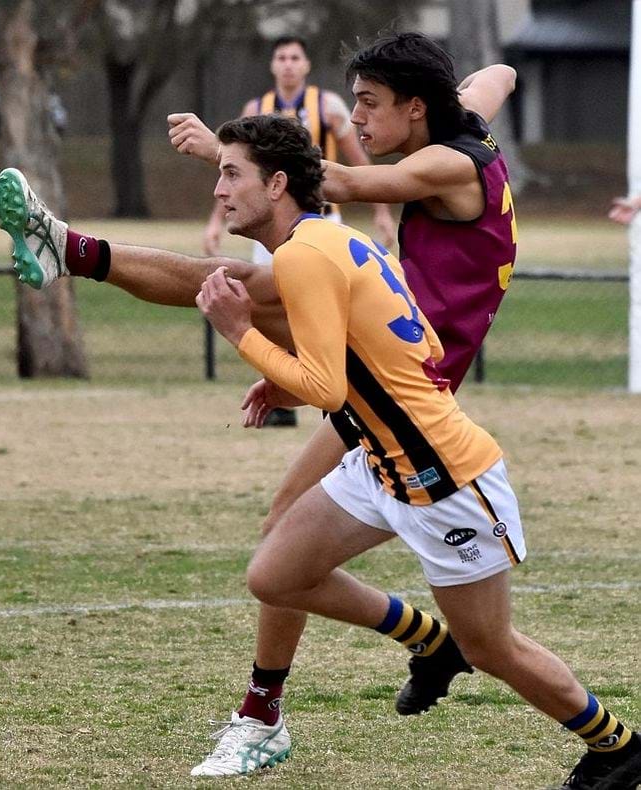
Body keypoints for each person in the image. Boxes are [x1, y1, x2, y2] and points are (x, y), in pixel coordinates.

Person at [0, 32, 524, 779]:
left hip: (401, 390)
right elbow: (496, 73)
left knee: (229, 310)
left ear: (416, 108)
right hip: (378, 352)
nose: (360, 118)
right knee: (226, 295)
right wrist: (481, 79)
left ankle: (273, 709)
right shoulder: (459, 126)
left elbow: (333, 180)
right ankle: (70, 251)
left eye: (371, 105)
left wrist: (225, 152)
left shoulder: (441, 164)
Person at [192, 112, 640, 790]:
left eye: (232, 174)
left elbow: (324, 380)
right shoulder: (326, 242)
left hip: (447, 481)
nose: (220, 190)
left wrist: (240, 332)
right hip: (382, 466)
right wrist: (293, 385)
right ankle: (431, 642)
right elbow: (408, 346)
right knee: (275, 573)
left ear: (277, 183)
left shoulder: (308, 254)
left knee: (493, 648)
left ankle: (616, 745)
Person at [178, 35, 396, 427]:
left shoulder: (327, 106)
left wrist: (382, 213)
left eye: (296, 56)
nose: (289, 64)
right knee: (272, 305)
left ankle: (320, 381)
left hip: (320, 220)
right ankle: (287, 388)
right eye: (282, 57)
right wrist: (217, 221)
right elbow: (238, 176)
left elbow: (358, 167)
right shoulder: (255, 109)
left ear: (307, 64)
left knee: (313, 308)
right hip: (271, 223)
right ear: (273, 66)